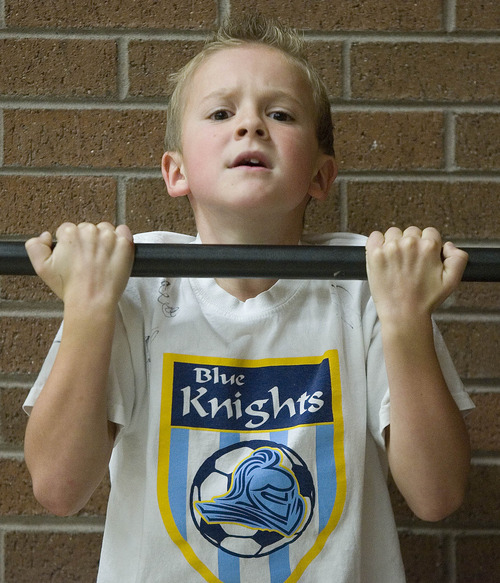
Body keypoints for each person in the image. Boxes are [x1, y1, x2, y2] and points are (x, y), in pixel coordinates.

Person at [23, 16, 473, 583]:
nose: (250, 126)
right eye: (220, 113)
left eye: (279, 114)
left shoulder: (374, 283)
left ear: (320, 175)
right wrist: (88, 309)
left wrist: (407, 319)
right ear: (176, 171)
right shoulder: (126, 280)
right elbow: (59, 488)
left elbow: (437, 495)